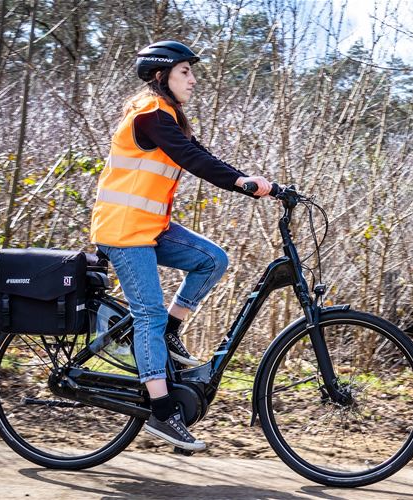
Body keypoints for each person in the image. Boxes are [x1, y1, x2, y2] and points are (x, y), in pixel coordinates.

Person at [90, 40, 272, 451]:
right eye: (185, 71)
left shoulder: (170, 117)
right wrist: (242, 183)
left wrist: (263, 185)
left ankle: (168, 333)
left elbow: (201, 155)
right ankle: (162, 411)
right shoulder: (150, 115)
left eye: (192, 71)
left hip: (151, 228)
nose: (193, 78)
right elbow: (192, 160)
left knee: (211, 260)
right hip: (124, 231)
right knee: (148, 313)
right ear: (161, 76)